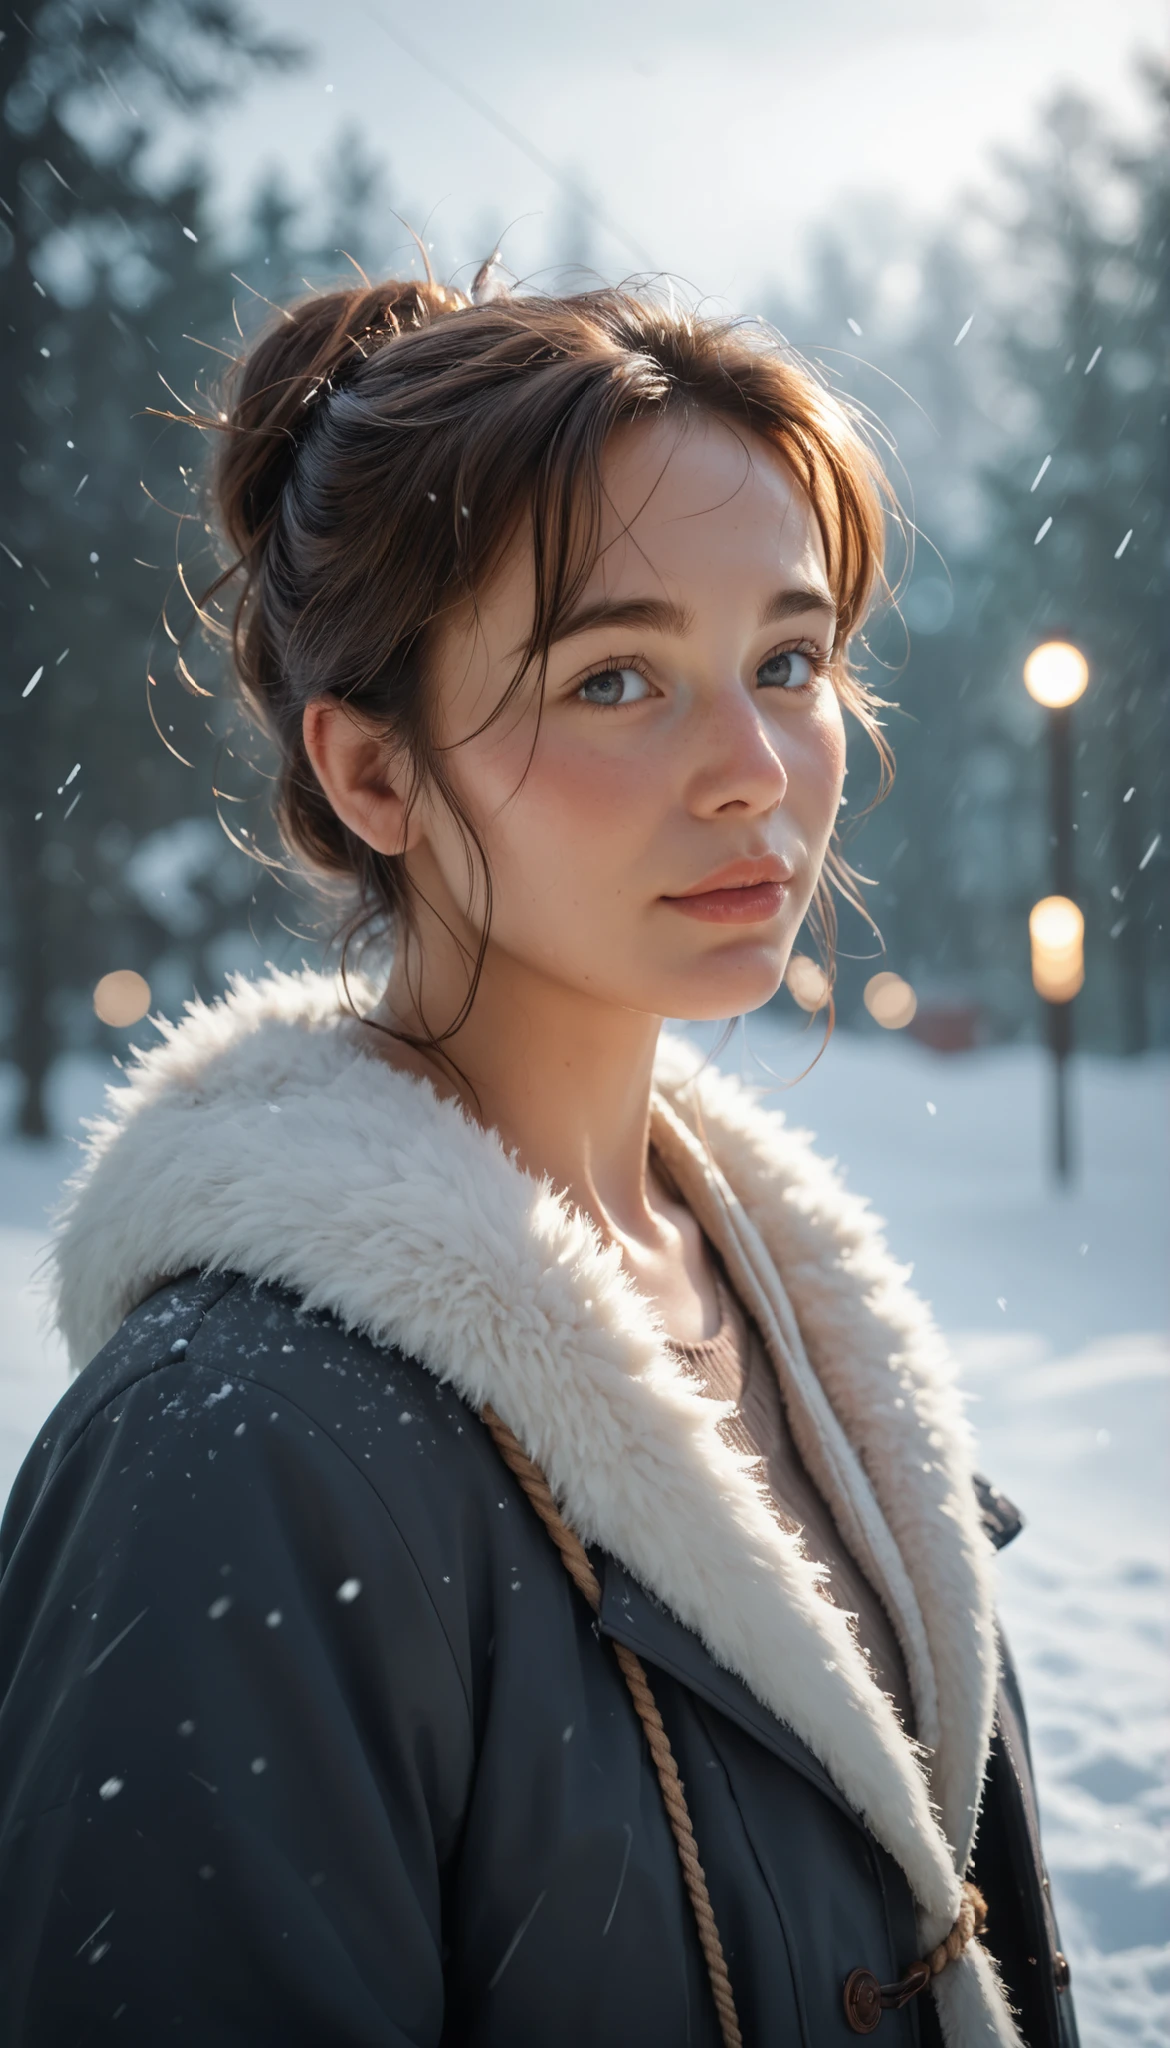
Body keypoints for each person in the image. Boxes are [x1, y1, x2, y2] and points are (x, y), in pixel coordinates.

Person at [0, 270, 1077, 2048]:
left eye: (788, 662)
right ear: (375, 775)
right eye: (615, 678)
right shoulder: (234, 1451)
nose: (753, 769)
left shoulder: (800, 1318)